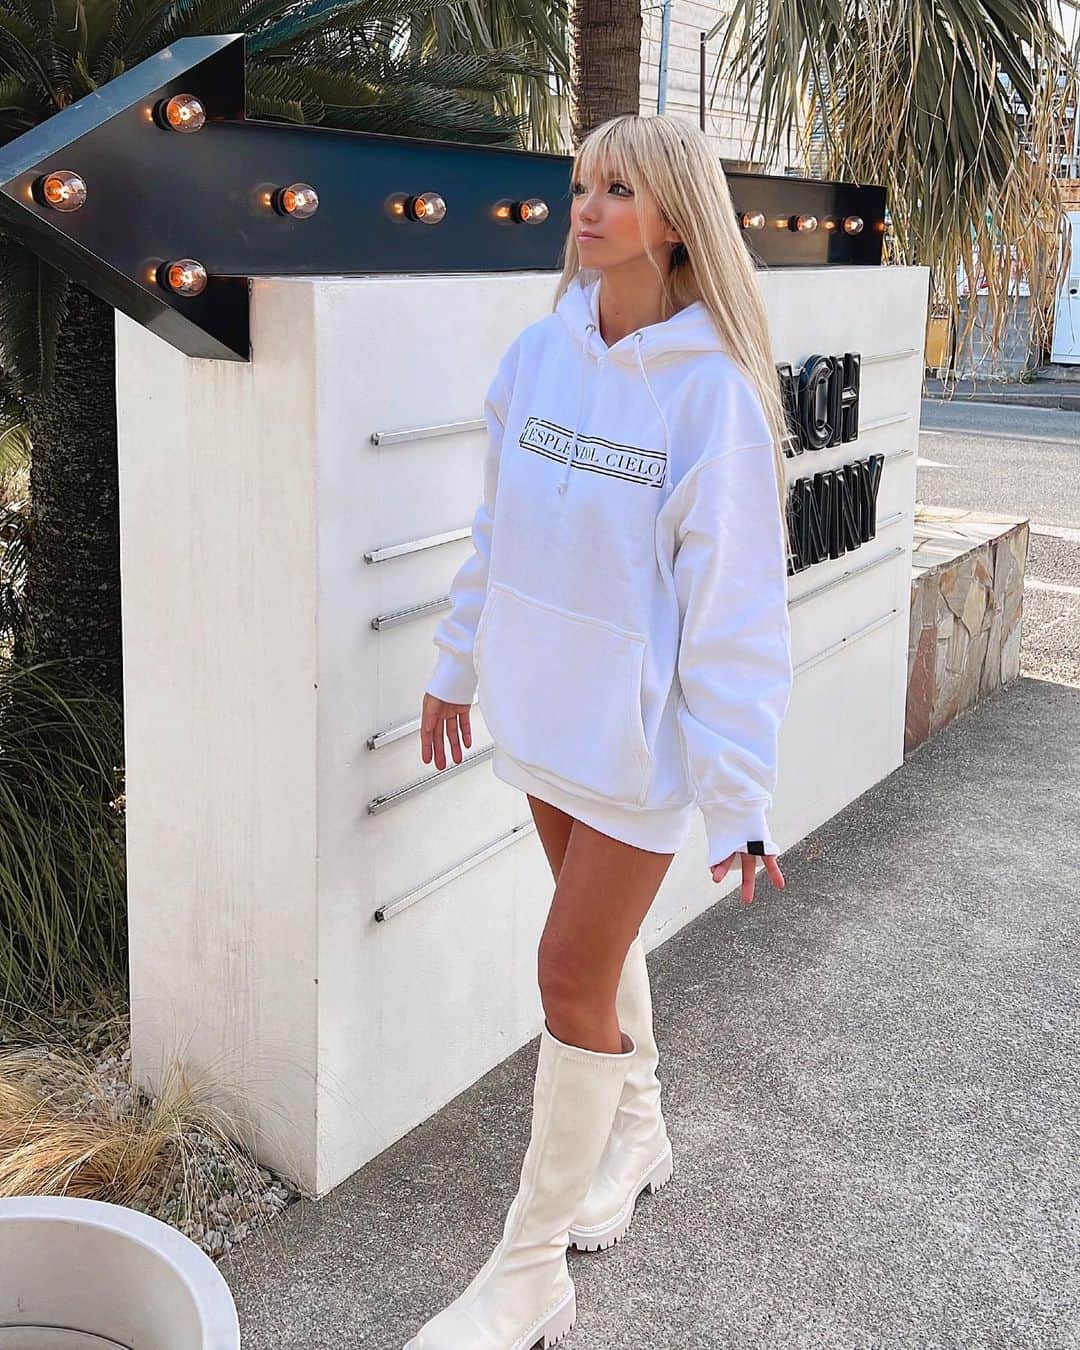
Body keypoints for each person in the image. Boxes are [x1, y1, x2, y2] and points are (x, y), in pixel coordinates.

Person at [407, 112, 795, 1349]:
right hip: (541, 714)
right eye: (582, 185)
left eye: (618, 189)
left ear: (677, 219)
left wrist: (738, 800)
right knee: (599, 944)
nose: (586, 208)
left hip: (636, 749)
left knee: (568, 971)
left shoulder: (712, 396)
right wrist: (456, 666)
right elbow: (496, 532)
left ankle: (528, 1275)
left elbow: (735, 615)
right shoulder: (539, 354)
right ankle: (639, 1131)